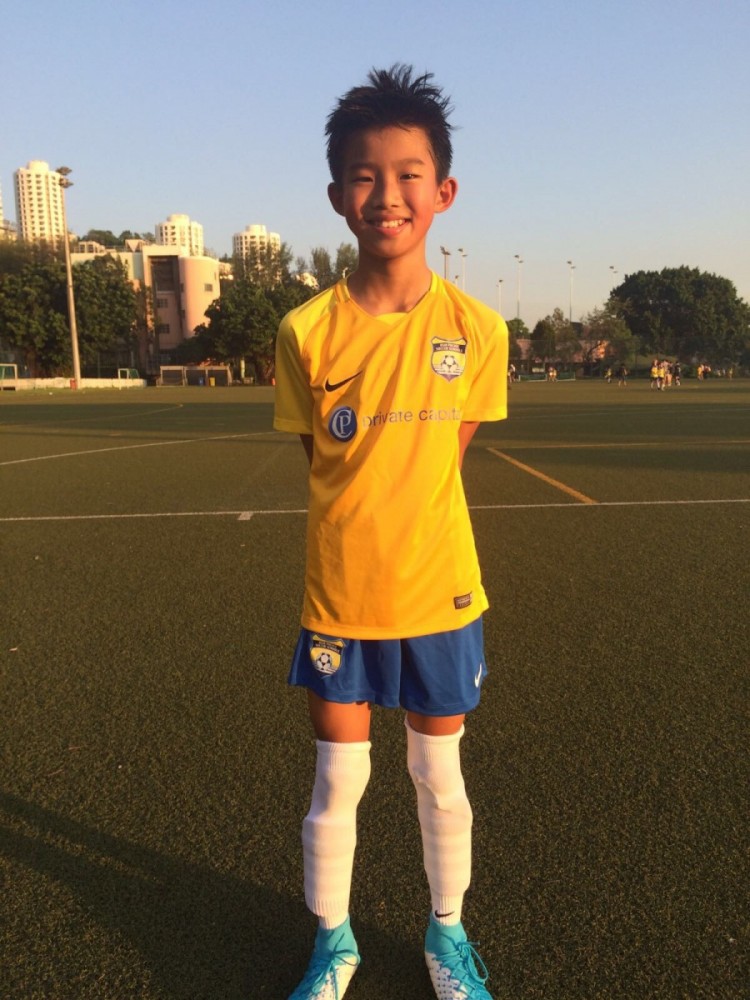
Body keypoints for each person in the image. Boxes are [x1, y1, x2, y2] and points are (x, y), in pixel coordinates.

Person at [273, 64, 508, 1000]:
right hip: (341, 597)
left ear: (443, 192)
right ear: (338, 195)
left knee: (438, 774)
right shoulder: (304, 331)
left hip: (440, 592)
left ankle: (447, 934)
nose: (387, 195)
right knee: (339, 781)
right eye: (365, 176)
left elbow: (446, 456)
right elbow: (329, 465)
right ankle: (332, 943)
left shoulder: (477, 329)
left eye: (409, 175)